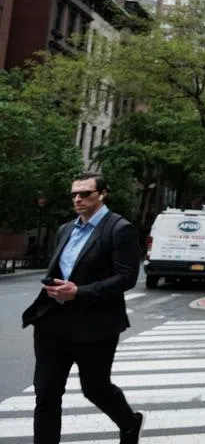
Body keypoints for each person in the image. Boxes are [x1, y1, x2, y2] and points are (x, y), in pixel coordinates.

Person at [21, 173, 144, 444]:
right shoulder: (66, 229)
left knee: (96, 390)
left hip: (95, 326)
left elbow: (127, 278)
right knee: (46, 394)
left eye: (85, 193)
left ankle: (129, 423)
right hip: (52, 323)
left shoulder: (119, 229)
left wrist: (79, 292)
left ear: (102, 194)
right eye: (74, 194)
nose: (78, 199)